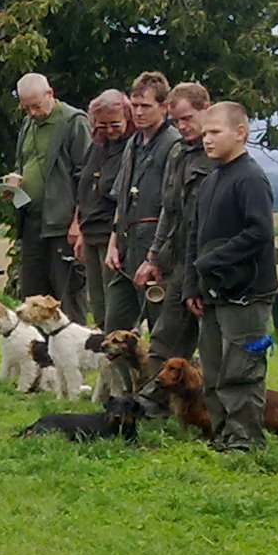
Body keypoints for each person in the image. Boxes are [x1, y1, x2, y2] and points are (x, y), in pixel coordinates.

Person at [183, 102, 278, 453]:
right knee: (214, 366)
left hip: (247, 291)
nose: (206, 140)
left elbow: (259, 231)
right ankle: (221, 433)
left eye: (215, 132)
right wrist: (194, 282)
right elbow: (196, 235)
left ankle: (245, 439)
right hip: (213, 292)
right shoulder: (210, 181)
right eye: (204, 133)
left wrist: (212, 261)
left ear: (241, 133)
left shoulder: (250, 177)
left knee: (242, 368)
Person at [138, 80, 212, 363]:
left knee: (213, 347)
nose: (182, 127)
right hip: (179, 259)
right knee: (164, 339)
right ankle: (153, 404)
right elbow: (168, 210)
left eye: (187, 118)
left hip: (209, 260)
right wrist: (154, 256)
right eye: (177, 121)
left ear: (206, 108)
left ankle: (209, 404)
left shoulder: (218, 153)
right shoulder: (179, 152)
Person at [3, 73, 87, 307]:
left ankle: (72, 344)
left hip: (62, 225)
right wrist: (14, 185)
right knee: (33, 299)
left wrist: (77, 223)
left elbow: (86, 176)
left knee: (67, 297)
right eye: (26, 107)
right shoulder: (28, 124)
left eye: (36, 106)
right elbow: (23, 164)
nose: (31, 112)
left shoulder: (74, 122)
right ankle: (38, 344)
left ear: (50, 94)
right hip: (32, 221)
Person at [104, 71, 172, 334]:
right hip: (125, 244)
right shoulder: (133, 143)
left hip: (155, 243)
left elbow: (171, 207)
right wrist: (113, 243)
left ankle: (159, 377)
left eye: (146, 106)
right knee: (115, 329)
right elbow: (121, 199)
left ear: (163, 107)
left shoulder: (172, 145)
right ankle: (128, 378)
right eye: (135, 105)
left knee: (160, 327)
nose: (139, 112)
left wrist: (155, 257)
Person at [75, 91, 131, 326]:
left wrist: (115, 241)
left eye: (115, 124)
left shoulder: (132, 147)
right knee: (98, 307)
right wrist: (79, 229)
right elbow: (86, 187)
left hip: (113, 235)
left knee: (116, 310)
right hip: (91, 232)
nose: (108, 130)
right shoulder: (98, 146)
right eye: (102, 124)